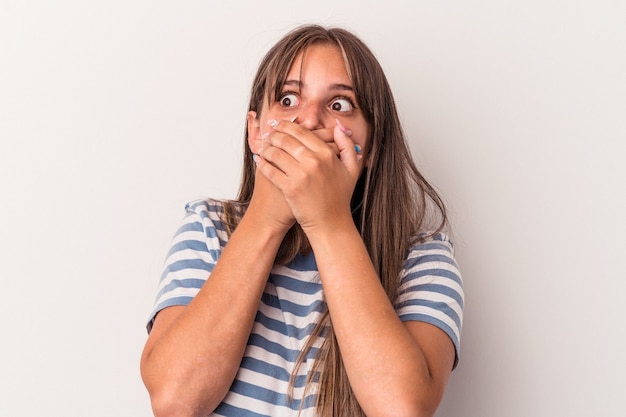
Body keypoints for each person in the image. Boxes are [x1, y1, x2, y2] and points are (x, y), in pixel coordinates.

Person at [140, 24, 464, 417]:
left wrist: (328, 222)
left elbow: (401, 408)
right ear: (255, 132)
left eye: (340, 104)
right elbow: (175, 401)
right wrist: (267, 217)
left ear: (373, 145)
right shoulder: (209, 229)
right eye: (288, 98)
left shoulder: (423, 261)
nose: (309, 121)